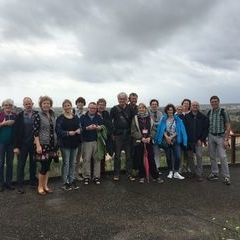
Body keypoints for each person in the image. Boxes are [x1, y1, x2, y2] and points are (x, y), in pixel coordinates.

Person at [131, 103, 164, 184]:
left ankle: (155, 176)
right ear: (138, 109)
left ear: (145, 109)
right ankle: (142, 176)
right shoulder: (135, 118)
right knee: (140, 159)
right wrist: (141, 138)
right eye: (139, 108)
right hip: (139, 142)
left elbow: (154, 129)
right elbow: (133, 131)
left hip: (149, 141)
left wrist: (150, 137)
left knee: (151, 159)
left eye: (143, 108)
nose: (141, 109)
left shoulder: (150, 118)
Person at [33, 96, 58, 195]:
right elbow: (35, 132)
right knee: (44, 167)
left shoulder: (52, 114)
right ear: (41, 105)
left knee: (48, 166)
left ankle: (45, 186)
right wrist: (38, 145)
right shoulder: (38, 115)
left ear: (50, 104)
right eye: (44, 103)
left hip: (52, 145)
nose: (46, 105)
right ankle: (40, 187)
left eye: (48, 103)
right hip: (43, 145)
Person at [155, 104, 187, 180]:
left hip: (176, 140)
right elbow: (161, 129)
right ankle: (170, 171)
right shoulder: (163, 119)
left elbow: (179, 130)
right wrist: (167, 137)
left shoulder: (178, 119)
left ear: (173, 111)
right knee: (168, 157)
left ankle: (176, 172)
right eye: (168, 110)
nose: (170, 111)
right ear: (166, 111)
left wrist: (171, 137)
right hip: (166, 140)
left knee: (178, 156)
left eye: (171, 110)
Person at [13, 97, 37, 194]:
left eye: (29, 103)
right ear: (23, 105)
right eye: (26, 104)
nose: (28, 105)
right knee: (21, 165)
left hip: (33, 144)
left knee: (33, 164)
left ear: (32, 104)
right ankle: (20, 185)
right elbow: (15, 132)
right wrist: (16, 147)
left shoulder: (37, 114)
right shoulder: (19, 116)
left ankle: (32, 182)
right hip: (22, 145)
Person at [56, 99, 80, 191]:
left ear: (71, 106)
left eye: (68, 105)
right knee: (66, 163)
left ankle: (71, 180)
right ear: (63, 107)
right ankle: (65, 182)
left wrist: (79, 130)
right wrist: (67, 133)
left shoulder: (75, 117)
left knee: (72, 163)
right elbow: (58, 131)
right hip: (65, 144)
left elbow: (80, 127)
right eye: (65, 106)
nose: (67, 107)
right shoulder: (60, 118)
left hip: (74, 143)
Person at [110, 92, 135, 181]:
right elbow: (110, 121)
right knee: (117, 156)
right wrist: (113, 133)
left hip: (128, 135)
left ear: (126, 99)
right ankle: (116, 174)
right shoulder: (114, 109)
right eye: (120, 99)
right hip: (118, 135)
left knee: (129, 156)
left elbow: (133, 121)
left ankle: (129, 174)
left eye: (123, 99)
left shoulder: (130, 109)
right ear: (118, 99)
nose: (122, 100)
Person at [207, 96, 231, 185]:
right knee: (212, 156)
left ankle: (226, 176)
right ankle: (214, 173)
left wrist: (226, 139)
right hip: (211, 136)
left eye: (215, 101)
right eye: (212, 102)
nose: (214, 103)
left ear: (218, 102)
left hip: (221, 137)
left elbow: (228, 126)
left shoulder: (223, 111)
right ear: (210, 103)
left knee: (223, 156)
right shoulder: (209, 112)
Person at [184, 101, 209, 181]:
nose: (195, 106)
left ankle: (199, 174)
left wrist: (201, 139)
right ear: (191, 107)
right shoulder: (186, 116)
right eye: (193, 105)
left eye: (196, 105)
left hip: (198, 140)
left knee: (199, 156)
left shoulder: (203, 117)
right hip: (189, 140)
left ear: (199, 107)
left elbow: (205, 129)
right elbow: (184, 129)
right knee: (190, 157)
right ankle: (193, 172)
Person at [80, 102, 104, 185]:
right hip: (86, 141)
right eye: (91, 108)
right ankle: (86, 176)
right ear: (88, 108)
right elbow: (80, 128)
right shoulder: (83, 117)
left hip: (97, 141)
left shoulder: (99, 117)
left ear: (96, 109)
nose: (92, 109)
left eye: (94, 108)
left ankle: (96, 177)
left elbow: (103, 127)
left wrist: (99, 127)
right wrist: (87, 128)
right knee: (86, 160)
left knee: (97, 159)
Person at [0, 99, 16, 192]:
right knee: (1, 163)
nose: (8, 106)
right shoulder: (0, 115)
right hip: (1, 142)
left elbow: (18, 129)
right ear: (3, 106)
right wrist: (3, 123)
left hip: (11, 143)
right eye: (6, 105)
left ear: (12, 106)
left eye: (10, 105)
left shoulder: (15, 116)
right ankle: (1, 184)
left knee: (10, 164)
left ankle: (9, 183)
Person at [97, 98, 114, 175]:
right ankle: (95, 173)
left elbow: (110, 125)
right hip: (96, 138)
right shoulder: (94, 112)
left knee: (103, 155)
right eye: (100, 105)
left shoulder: (106, 113)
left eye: (103, 105)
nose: (101, 106)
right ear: (97, 105)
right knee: (96, 156)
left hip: (105, 137)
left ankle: (102, 172)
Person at [149, 99, 163, 173]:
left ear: (157, 105)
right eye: (153, 104)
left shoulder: (160, 113)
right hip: (149, 136)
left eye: (155, 104)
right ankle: (149, 168)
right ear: (150, 105)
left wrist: (155, 124)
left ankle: (156, 168)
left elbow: (161, 124)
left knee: (157, 153)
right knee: (149, 153)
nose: (154, 105)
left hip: (158, 136)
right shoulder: (147, 113)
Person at [74, 97, 86, 181]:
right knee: (72, 158)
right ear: (76, 103)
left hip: (82, 138)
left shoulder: (85, 113)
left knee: (78, 158)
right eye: (78, 102)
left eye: (82, 102)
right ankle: (70, 175)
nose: (80, 104)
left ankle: (76, 175)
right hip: (73, 137)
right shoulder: (72, 112)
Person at [180, 98, 192, 175]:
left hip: (189, 137)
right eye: (185, 103)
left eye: (187, 103)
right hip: (180, 137)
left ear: (189, 105)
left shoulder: (191, 114)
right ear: (182, 104)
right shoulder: (178, 114)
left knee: (188, 154)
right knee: (180, 154)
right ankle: (180, 168)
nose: (186, 105)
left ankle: (188, 167)